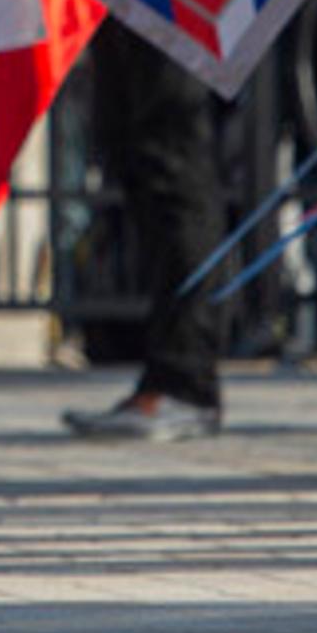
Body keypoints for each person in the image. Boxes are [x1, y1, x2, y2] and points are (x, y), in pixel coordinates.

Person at [60, 22, 228, 439]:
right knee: (132, 149)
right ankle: (168, 375)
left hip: (169, 3)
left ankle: (186, 380)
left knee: (169, 154)